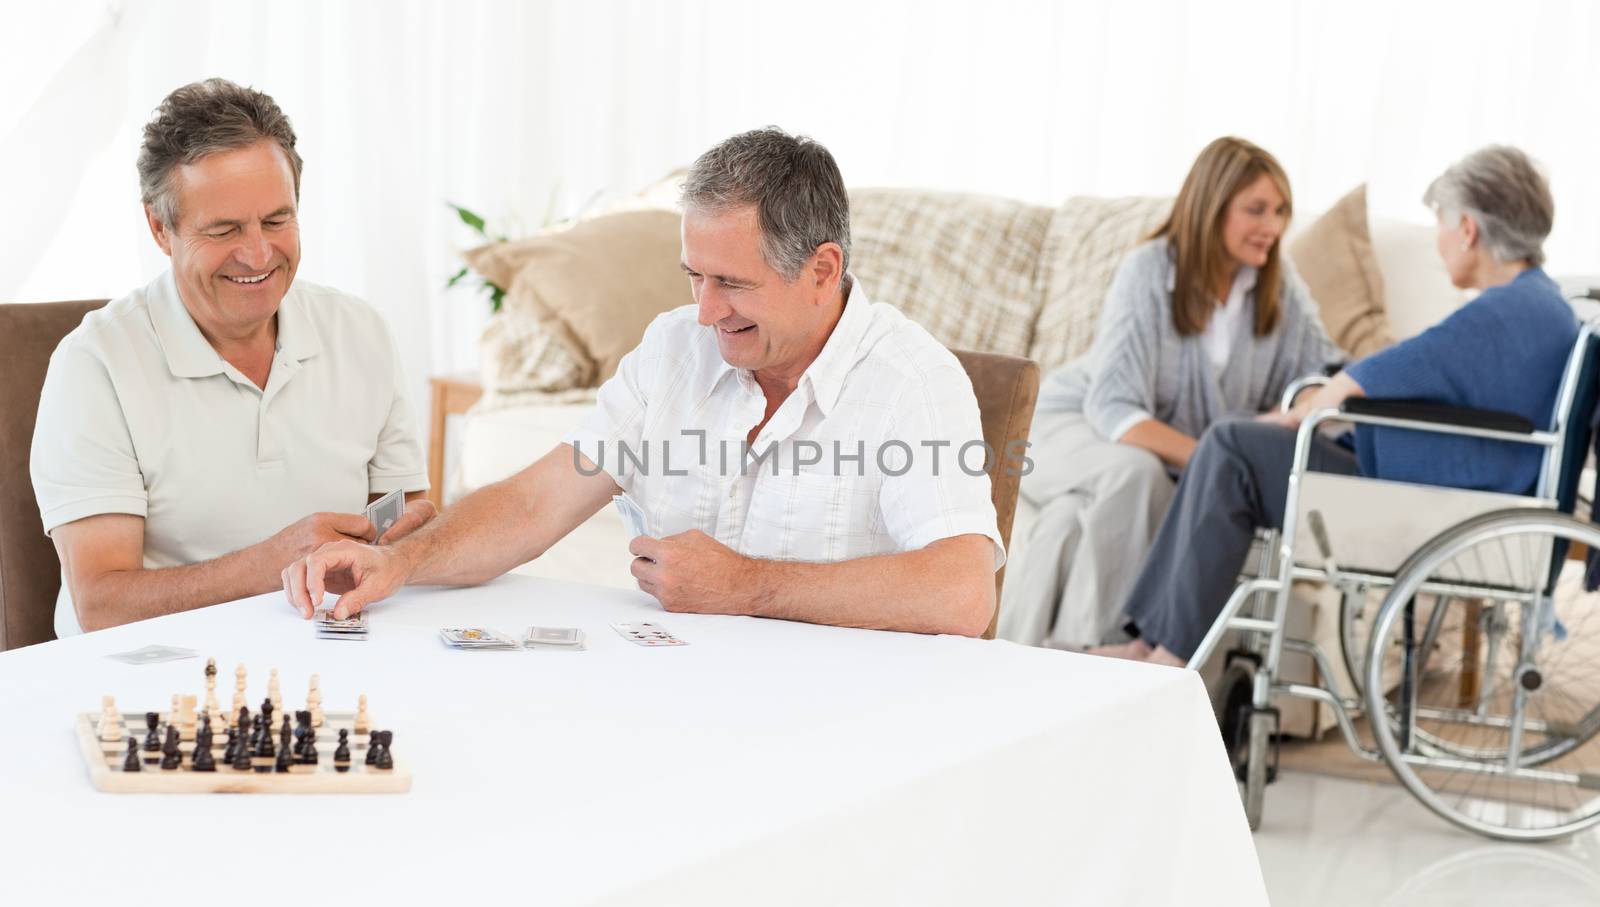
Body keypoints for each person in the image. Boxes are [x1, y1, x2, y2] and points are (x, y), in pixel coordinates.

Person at [281, 127, 1005, 636]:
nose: (705, 310)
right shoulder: (673, 348)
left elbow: (962, 592)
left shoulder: (913, 379)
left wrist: (748, 586)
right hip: (679, 703)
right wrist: (397, 560)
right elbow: (536, 502)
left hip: (845, 725)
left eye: (731, 283)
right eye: (694, 276)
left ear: (821, 270)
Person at [1099, 145, 1577, 667]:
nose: (1439, 241)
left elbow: (1397, 368)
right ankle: (1154, 643)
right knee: (1236, 436)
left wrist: (1320, 404)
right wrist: (1327, 394)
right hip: (1450, 492)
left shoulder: (1510, 309)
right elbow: (1410, 371)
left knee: (1231, 445)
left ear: (1466, 229)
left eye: (1440, 222)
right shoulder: (1538, 304)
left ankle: (1164, 653)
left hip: (1433, 509)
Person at [31, 78, 434, 635]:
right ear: (159, 228)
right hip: (152, 672)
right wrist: (272, 564)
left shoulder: (359, 331)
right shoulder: (94, 365)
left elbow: (405, 517)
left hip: (326, 648)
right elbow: (101, 604)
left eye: (276, 220)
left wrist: (409, 544)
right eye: (224, 229)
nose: (258, 253)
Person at [999, 137, 1339, 649]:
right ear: (1212, 206)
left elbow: (1327, 369)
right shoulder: (1149, 270)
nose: (1273, 226)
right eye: (1257, 209)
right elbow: (1114, 408)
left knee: (1069, 523)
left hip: (1142, 441)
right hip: (1066, 421)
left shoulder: (1276, 284)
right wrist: (1220, 460)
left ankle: (1043, 659)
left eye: (1281, 210)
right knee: (1135, 473)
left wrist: (1303, 403)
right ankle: (1097, 656)